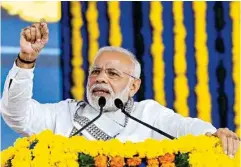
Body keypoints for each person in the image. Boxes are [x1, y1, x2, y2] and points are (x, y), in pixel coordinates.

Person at [1, 21, 239, 158]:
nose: (100, 78)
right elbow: (17, 115)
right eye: (95, 71)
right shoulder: (63, 114)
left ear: (134, 85)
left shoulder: (149, 115)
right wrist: (26, 60)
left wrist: (212, 134)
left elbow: (186, 127)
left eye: (112, 73)